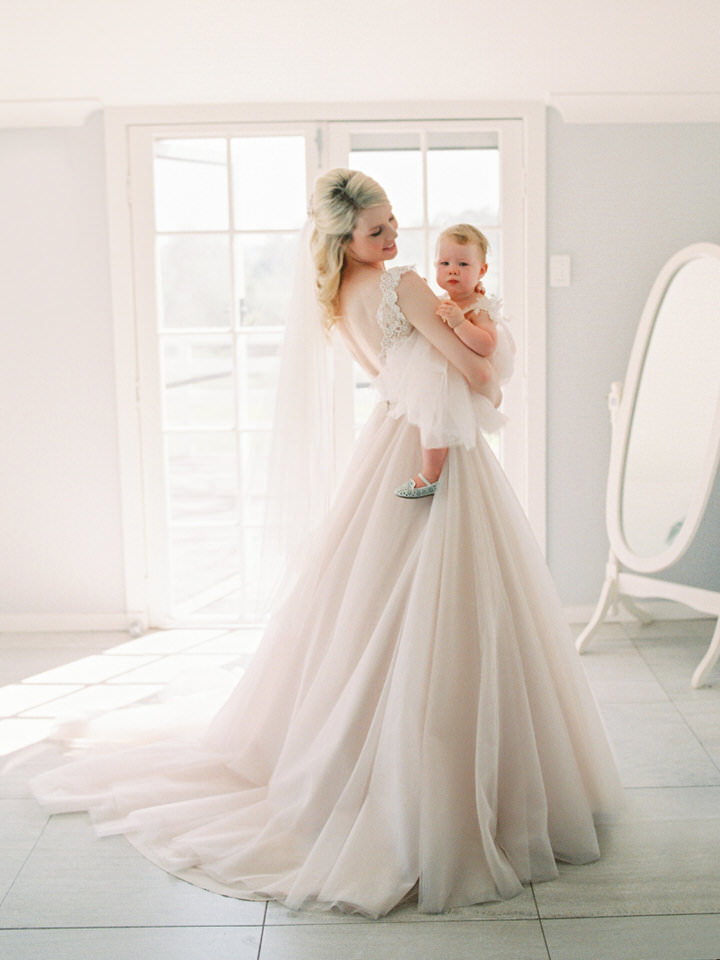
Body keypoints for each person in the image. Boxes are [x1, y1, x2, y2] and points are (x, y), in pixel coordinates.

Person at [32, 168, 623, 919]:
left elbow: (393, 373)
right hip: (430, 443)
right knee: (444, 602)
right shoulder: (403, 285)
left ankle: (362, 760)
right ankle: (434, 783)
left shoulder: (334, 299)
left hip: (387, 442)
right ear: (345, 236)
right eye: (377, 232)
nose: (394, 240)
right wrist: (492, 376)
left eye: (394, 225)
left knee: (372, 600)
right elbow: (473, 371)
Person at [389, 223, 516, 498]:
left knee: (437, 418)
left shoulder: (479, 307)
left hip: (460, 379)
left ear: (482, 271)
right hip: (439, 374)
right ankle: (432, 470)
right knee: (429, 417)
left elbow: (487, 345)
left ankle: (431, 474)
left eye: (463, 263)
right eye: (444, 263)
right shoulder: (442, 299)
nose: (452, 270)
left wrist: (460, 323)